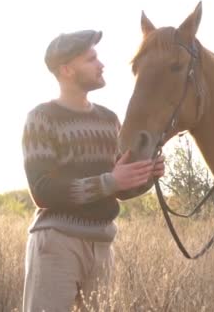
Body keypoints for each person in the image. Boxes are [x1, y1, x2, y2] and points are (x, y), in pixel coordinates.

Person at [21, 29, 165, 311]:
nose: (101, 64)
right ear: (66, 70)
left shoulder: (109, 120)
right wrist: (110, 181)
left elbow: (121, 187)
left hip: (102, 245)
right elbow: (42, 191)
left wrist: (148, 175)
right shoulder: (41, 118)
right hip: (57, 245)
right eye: (91, 59)